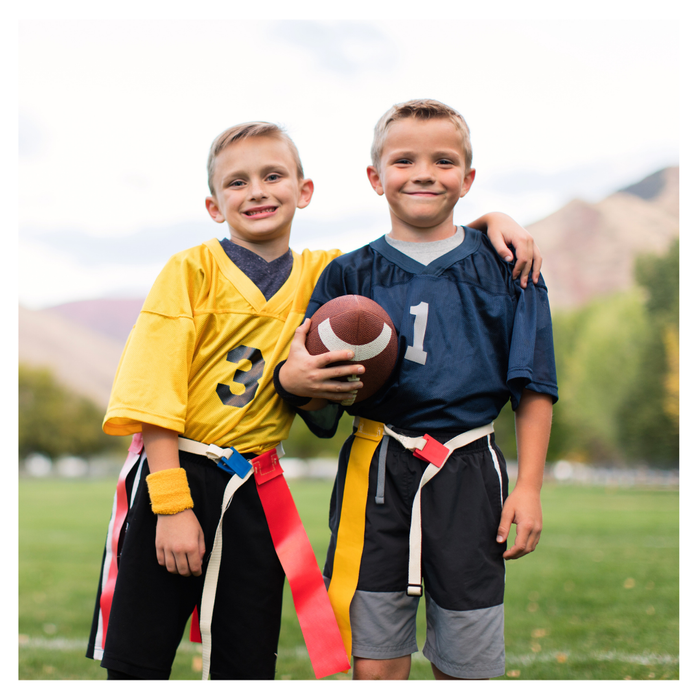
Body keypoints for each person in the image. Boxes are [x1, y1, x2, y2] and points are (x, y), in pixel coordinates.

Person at [86, 119, 542, 681]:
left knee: (247, 661)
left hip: (255, 481)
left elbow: (426, 238)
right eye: (237, 182)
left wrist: (493, 221)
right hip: (175, 470)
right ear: (213, 205)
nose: (256, 191)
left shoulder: (324, 274)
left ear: (304, 191)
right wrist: (172, 502)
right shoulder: (189, 271)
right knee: (138, 659)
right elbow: (151, 392)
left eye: (272, 175)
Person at [276, 99, 558, 680]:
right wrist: (296, 382)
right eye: (404, 160)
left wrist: (528, 487)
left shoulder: (510, 267)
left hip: (470, 470)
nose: (425, 173)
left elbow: (535, 387)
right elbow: (319, 402)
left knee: (468, 667)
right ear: (377, 179)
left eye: (444, 161)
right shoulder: (347, 277)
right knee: (375, 666)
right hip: (377, 472)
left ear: (468, 179)